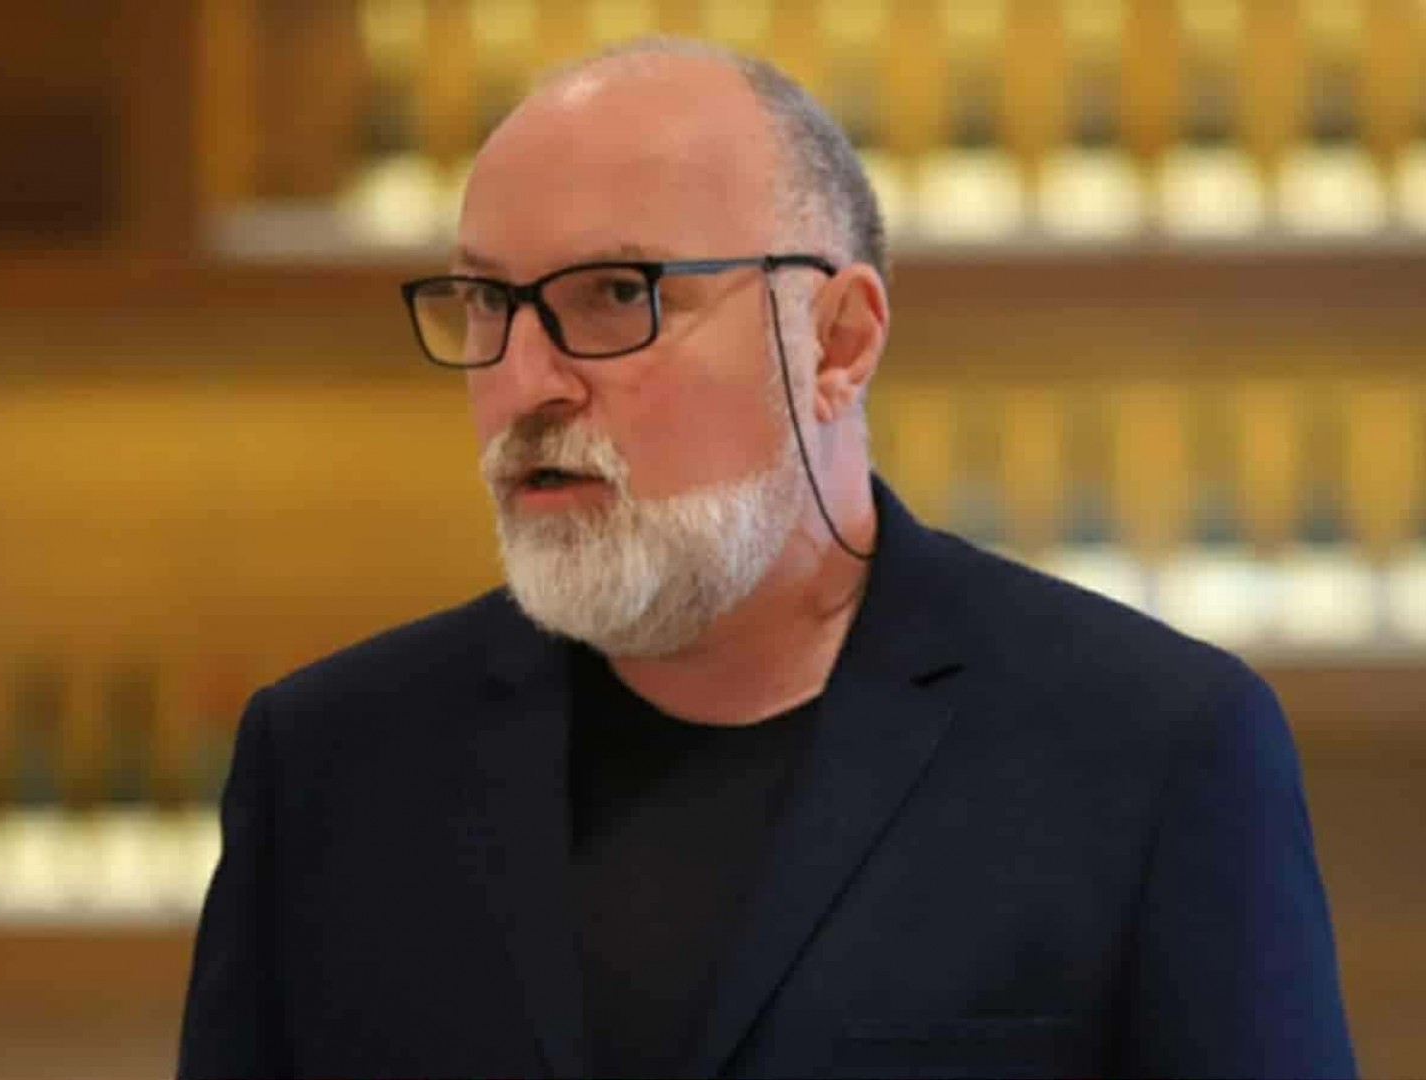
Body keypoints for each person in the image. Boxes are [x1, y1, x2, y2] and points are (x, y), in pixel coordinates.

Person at [178, 38, 1354, 1080]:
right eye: (487, 302)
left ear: (837, 341)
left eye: (616, 294)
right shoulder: (329, 764)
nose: (525, 382)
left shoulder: (1152, 749)